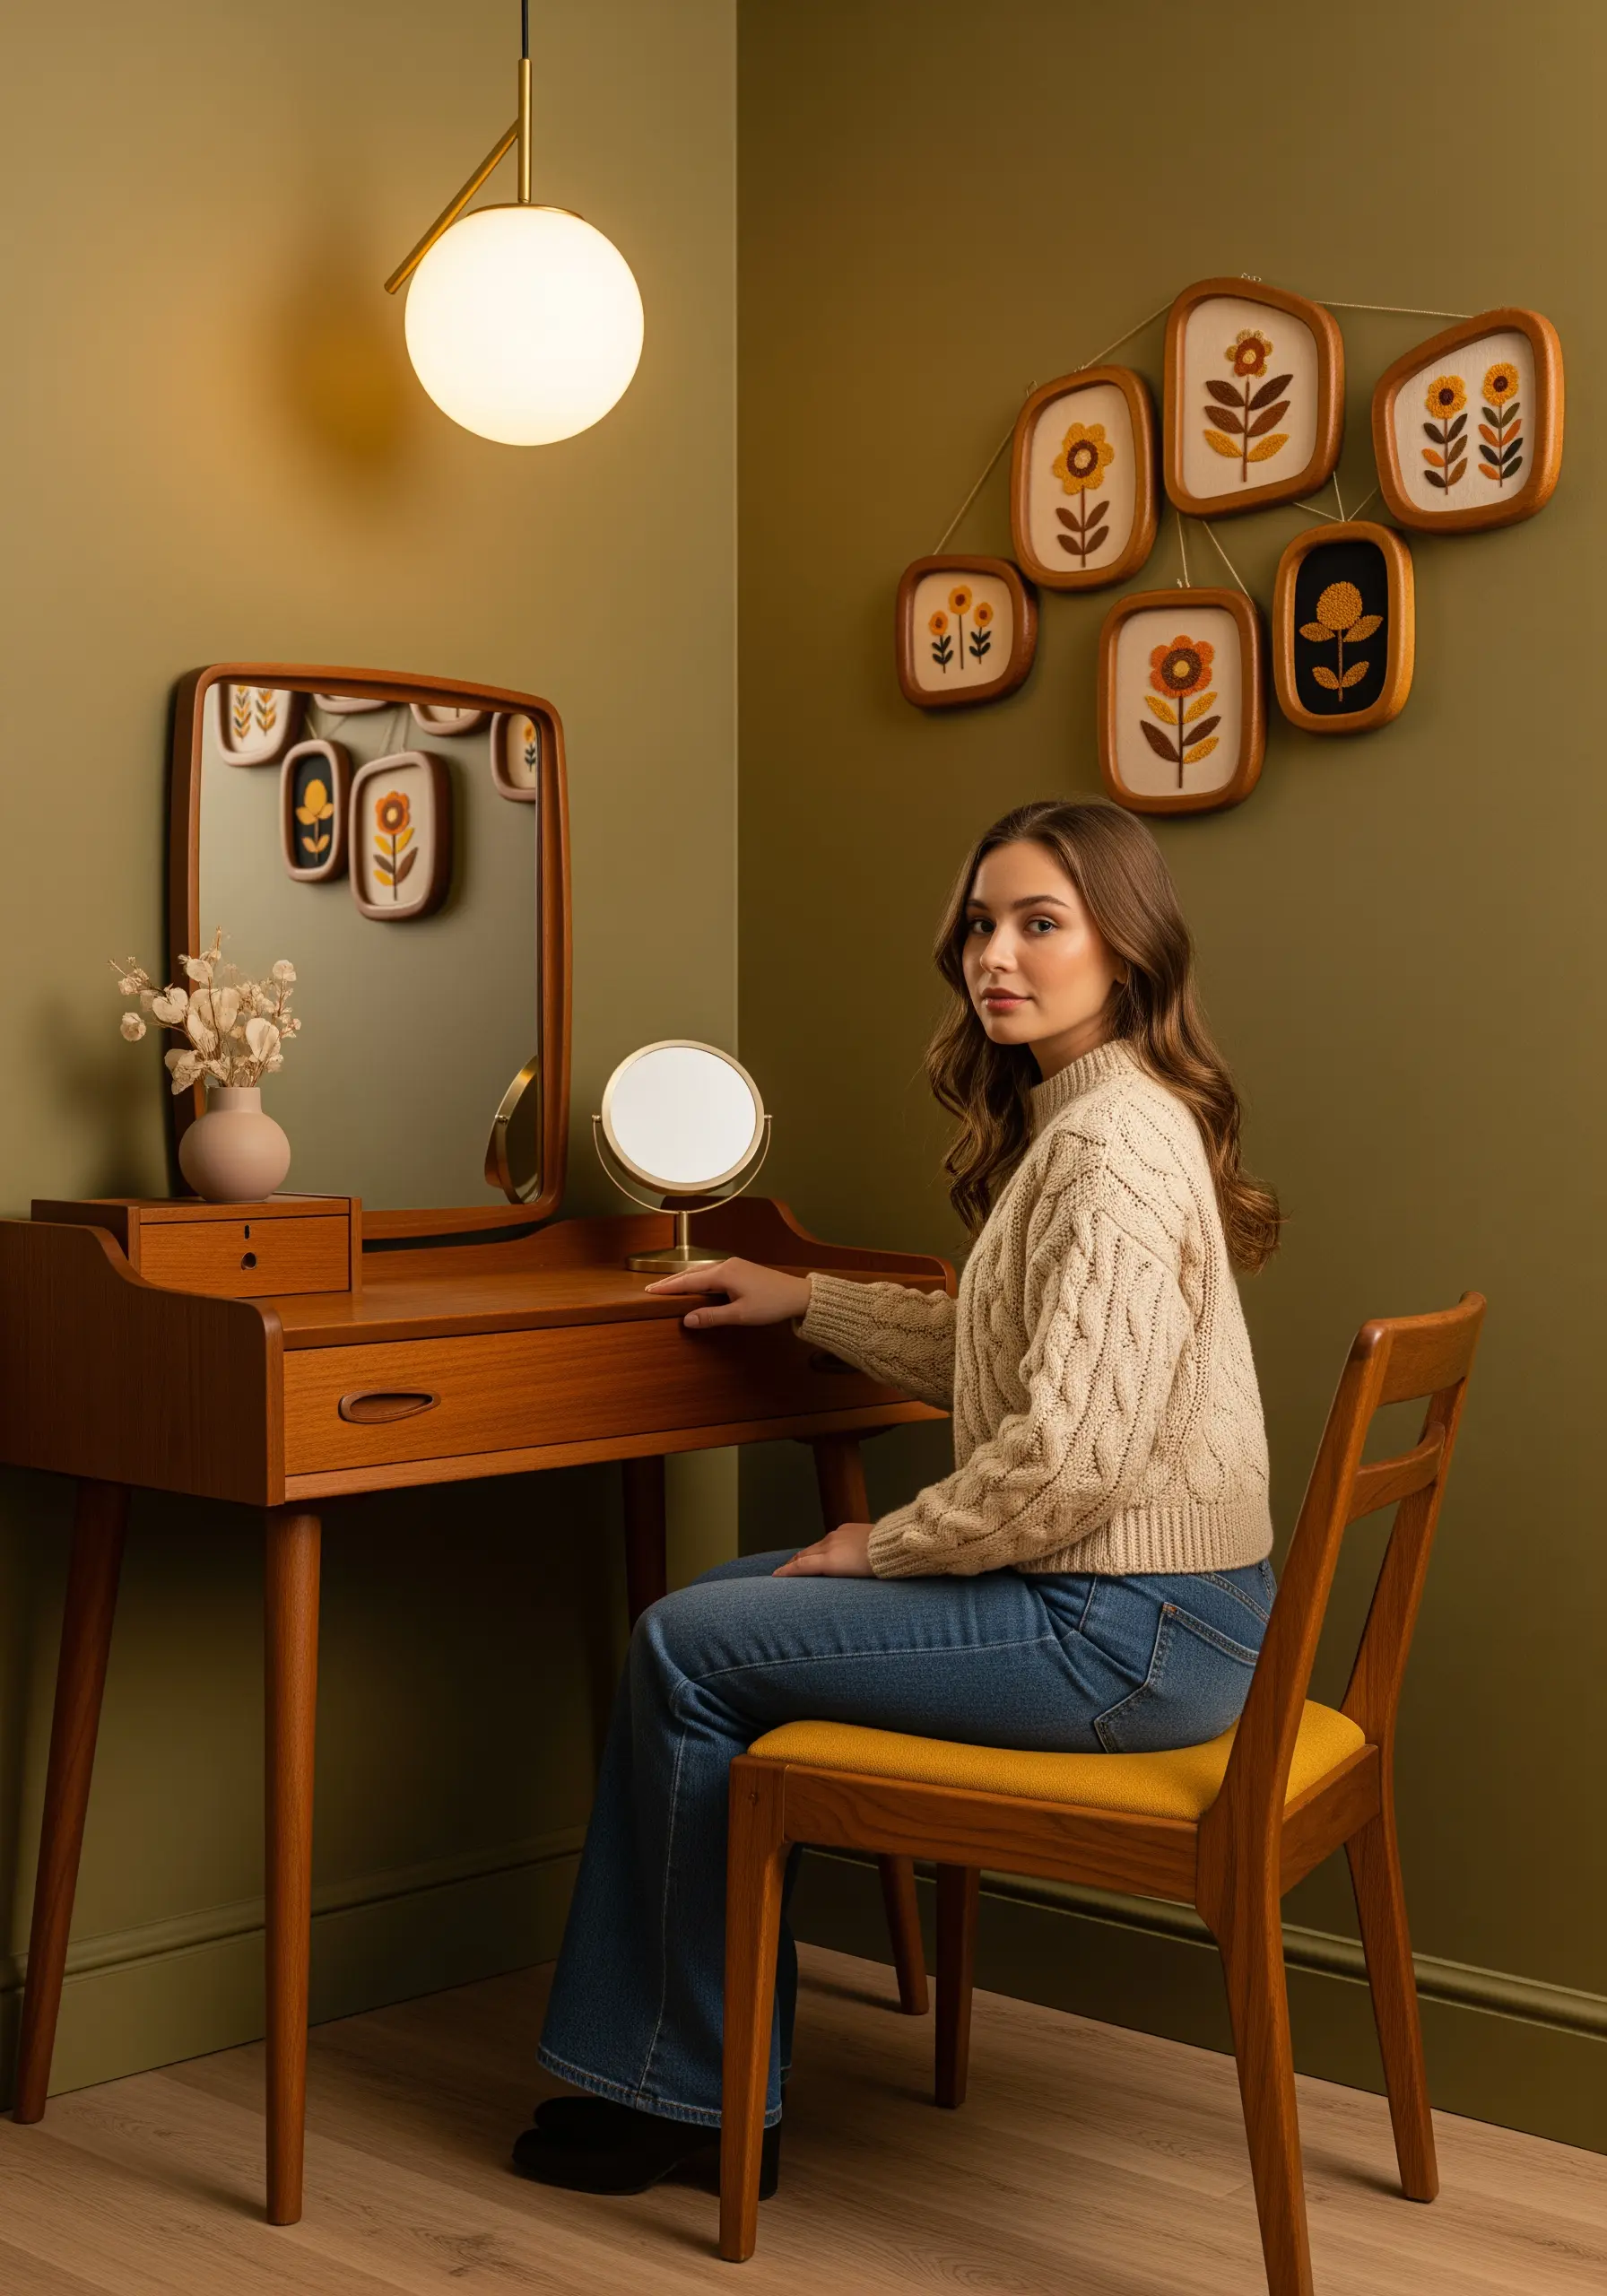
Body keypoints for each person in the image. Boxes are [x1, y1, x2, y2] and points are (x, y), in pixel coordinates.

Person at [511, 796, 1281, 2197]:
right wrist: (807, 1300)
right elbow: (1018, 1358)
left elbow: (1066, 1460)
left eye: (1040, 923)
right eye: (983, 924)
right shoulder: (1099, 1118)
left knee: (686, 1647)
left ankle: (691, 2102)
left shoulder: (1106, 1146)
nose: (998, 953)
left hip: (1123, 1634)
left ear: (1127, 945)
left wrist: (887, 1547)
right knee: (710, 1615)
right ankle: (688, 2080)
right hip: (1174, 1614)